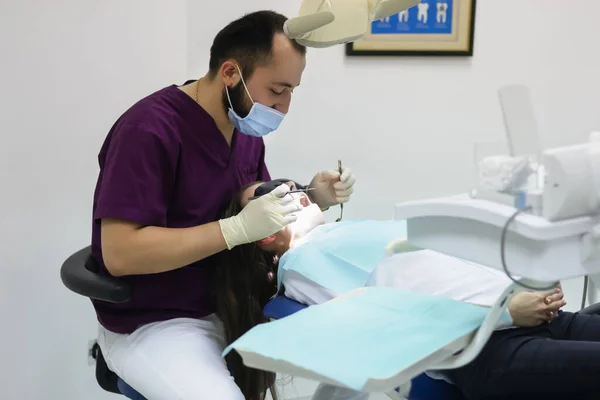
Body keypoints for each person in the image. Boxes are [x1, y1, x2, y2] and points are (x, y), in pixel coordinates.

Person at [91, 11, 356, 400]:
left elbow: (244, 200)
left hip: (228, 304)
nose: (283, 108)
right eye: (277, 91)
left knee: (352, 365)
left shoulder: (243, 129)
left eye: (291, 92)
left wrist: (311, 196)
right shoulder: (148, 131)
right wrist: (233, 232)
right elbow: (120, 253)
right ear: (231, 73)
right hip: (155, 322)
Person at [217, 179, 600, 400]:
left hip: (538, 318)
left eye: (290, 183)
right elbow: (391, 317)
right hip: (489, 350)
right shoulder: (303, 263)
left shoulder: (343, 232)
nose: (289, 186)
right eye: (270, 191)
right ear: (263, 234)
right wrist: (504, 314)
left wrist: (531, 278)